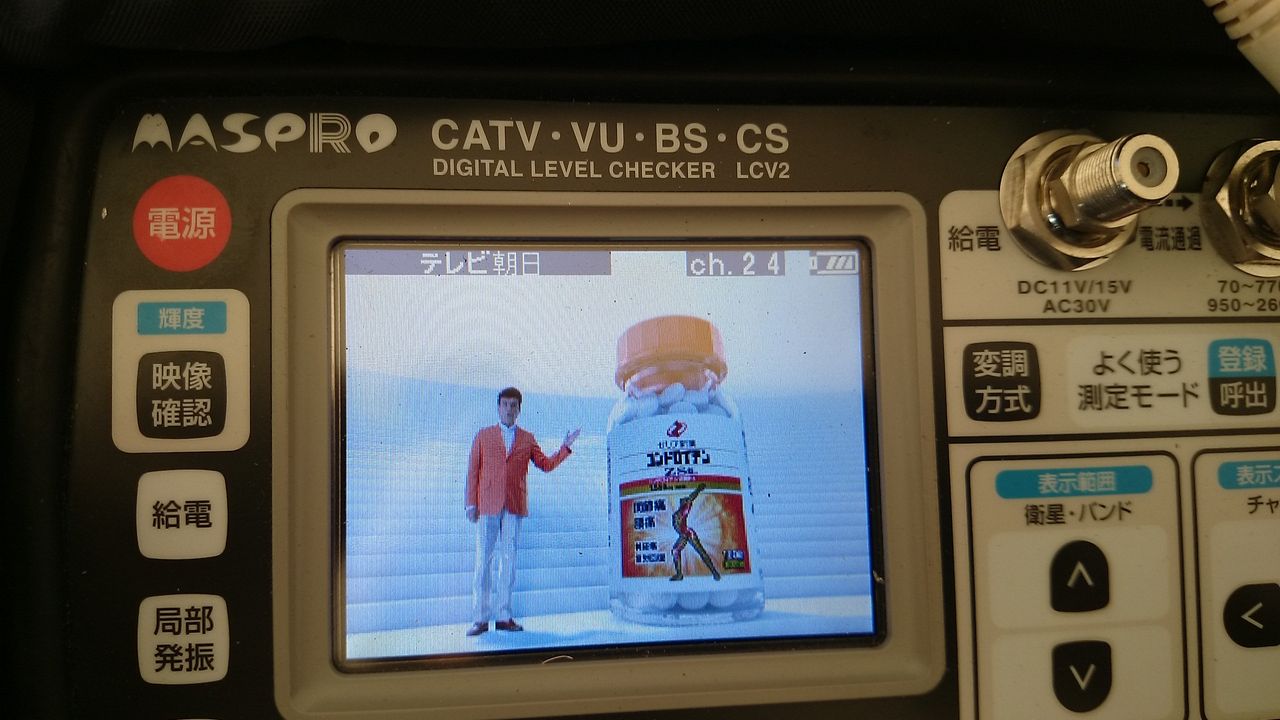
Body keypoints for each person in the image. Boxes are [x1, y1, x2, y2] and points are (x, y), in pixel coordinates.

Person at [464, 387, 580, 636]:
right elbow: (473, 470)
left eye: (513, 405)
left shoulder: (527, 438)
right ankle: (480, 618)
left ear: (519, 410)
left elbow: (545, 465)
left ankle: (504, 616)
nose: (509, 409)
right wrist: (471, 503)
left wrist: (565, 447)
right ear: (498, 408)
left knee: (509, 561)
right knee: (483, 561)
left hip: (514, 506)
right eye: (505, 404)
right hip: (487, 504)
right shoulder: (483, 435)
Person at [670, 483, 721, 581]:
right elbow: (677, 526)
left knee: (701, 552)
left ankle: (714, 572)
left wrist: (698, 489)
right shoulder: (677, 513)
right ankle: (679, 574)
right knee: (675, 551)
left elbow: (691, 498)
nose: (684, 501)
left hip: (689, 533)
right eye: (683, 501)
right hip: (684, 534)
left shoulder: (683, 510)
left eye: (684, 501)